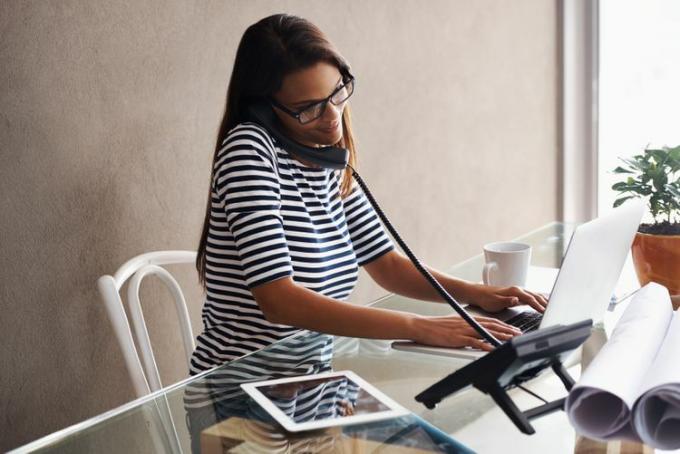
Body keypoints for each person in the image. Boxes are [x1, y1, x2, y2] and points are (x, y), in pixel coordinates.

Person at [189, 13, 547, 376]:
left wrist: (472, 293)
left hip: (314, 385)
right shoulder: (248, 151)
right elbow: (279, 301)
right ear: (264, 109)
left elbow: (386, 264)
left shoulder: (324, 157)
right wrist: (421, 327)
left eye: (337, 93)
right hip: (239, 393)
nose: (332, 116)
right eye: (308, 108)